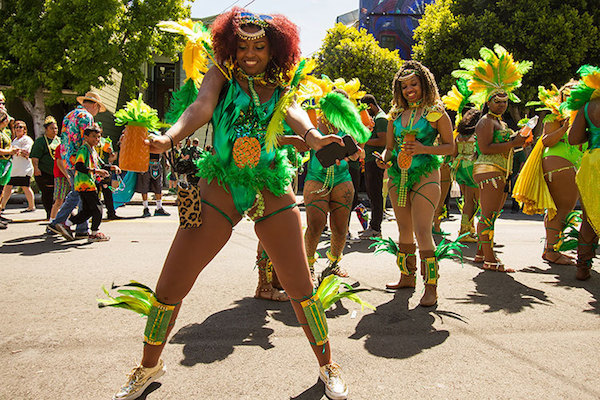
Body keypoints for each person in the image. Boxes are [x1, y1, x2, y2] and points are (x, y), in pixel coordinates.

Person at [111, 9, 354, 400]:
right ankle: (148, 366)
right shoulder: (220, 74)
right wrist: (170, 138)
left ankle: (328, 366)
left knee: (298, 284)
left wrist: (313, 136)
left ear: (274, 48)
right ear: (231, 46)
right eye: (242, 46)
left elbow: (291, 113)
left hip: (269, 183)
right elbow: (201, 108)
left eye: (259, 46)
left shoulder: (280, 82)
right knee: (172, 281)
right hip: (221, 182)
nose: (250, 54)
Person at [376, 60, 454, 306]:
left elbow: (450, 146)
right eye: (405, 86)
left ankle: (431, 287)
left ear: (424, 84)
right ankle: (406, 277)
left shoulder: (436, 112)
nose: (410, 89)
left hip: (426, 177)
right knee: (403, 230)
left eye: (414, 84)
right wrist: (384, 160)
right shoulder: (395, 115)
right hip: (398, 178)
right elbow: (389, 148)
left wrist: (423, 148)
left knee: (422, 230)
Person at [454, 45, 532, 271]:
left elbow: (503, 147)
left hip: (500, 171)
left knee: (492, 214)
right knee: (487, 215)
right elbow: (487, 148)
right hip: (488, 170)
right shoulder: (486, 121)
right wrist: (514, 142)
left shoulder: (500, 122)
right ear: (488, 102)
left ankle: (481, 253)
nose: (502, 104)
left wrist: (520, 141)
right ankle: (490, 259)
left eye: (505, 101)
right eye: (497, 101)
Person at [303, 89, 365, 281]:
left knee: (339, 228)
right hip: (316, 178)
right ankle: (308, 266)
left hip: (342, 179)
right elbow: (303, 143)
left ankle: (333, 265)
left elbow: (359, 153)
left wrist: (355, 153)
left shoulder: (348, 126)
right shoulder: (312, 122)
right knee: (315, 225)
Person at [48, 91, 106, 239]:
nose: (97, 112)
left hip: (68, 158)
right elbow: (88, 140)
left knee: (78, 192)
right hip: (81, 160)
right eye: (98, 109)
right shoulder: (87, 117)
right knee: (80, 192)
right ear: (94, 105)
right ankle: (60, 223)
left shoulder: (69, 115)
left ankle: (75, 226)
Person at [566, 65, 600, 280]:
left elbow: (573, 139)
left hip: (592, 163)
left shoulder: (589, 106)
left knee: (588, 218)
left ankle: (582, 268)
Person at [65, 124, 117, 242]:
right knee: (98, 208)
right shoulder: (84, 149)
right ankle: (94, 233)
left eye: (98, 137)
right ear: (86, 137)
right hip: (85, 183)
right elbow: (79, 166)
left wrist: (112, 167)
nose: (97, 139)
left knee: (87, 211)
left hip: (89, 183)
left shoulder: (92, 150)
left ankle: (67, 224)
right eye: (94, 136)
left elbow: (101, 165)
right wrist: (96, 171)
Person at [358, 94, 386, 239]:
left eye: (365, 109)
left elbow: (383, 140)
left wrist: (364, 139)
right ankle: (373, 227)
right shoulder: (375, 118)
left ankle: (375, 228)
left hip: (376, 160)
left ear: (370, 106)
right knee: (372, 194)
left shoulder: (381, 118)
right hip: (370, 160)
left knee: (375, 195)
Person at [451, 108, 481, 242]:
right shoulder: (477, 134)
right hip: (472, 166)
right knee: (474, 201)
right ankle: (466, 232)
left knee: (467, 200)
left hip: (459, 166)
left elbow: (454, 153)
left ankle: (468, 229)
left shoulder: (459, 134)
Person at [0, 120, 36, 213]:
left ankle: (31, 206)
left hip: (24, 168)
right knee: (8, 186)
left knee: (25, 187)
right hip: (14, 169)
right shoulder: (14, 140)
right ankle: (2, 206)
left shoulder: (27, 140)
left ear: (24, 129)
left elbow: (27, 153)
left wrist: (17, 151)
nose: (18, 129)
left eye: (21, 127)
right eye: (16, 127)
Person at [31, 116, 59, 219]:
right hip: (45, 172)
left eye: (56, 128)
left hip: (58, 172)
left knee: (59, 195)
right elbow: (35, 157)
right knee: (48, 193)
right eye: (52, 128)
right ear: (46, 129)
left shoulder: (59, 140)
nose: (54, 130)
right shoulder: (41, 141)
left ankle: (57, 213)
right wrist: (36, 168)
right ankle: (49, 213)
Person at [136, 152, 170, 217]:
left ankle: (159, 208)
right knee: (144, 187)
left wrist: (166, 160)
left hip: (157, 164)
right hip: (145, 164)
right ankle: (146, 208)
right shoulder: (144, 141)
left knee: (158, 187)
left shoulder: (159, 142)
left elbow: (163, 148)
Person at [0, 108, 16, 228]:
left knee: (2, 190)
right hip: (1, 163)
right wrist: (10, 151)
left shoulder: (4, 132)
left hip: (5, 163)